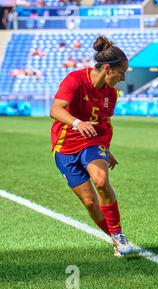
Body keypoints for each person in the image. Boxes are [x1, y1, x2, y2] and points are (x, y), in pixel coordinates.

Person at [50, 36, 132, 257]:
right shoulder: (75, 80)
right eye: (121, 72)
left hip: (93, 143)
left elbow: (104, 124)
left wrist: (105, 150)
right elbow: (55, 110)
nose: (123, 78)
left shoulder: (111, 94)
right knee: (89, 202)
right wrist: (78, 123)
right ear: (107, 69)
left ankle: (118, 234)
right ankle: (115, 240)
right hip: (65, 147)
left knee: (101, 181)